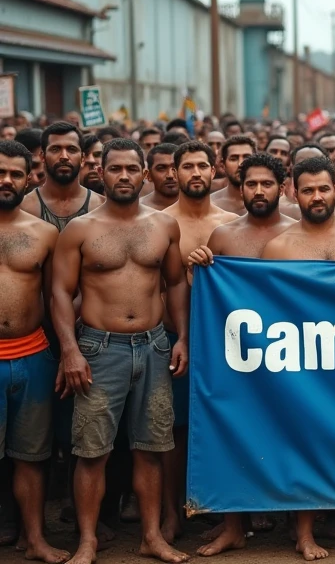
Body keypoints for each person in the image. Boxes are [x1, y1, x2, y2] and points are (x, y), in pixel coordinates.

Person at [52, 138, 191, 564]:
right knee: (92, 451)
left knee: (151, 447)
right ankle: (88, 541)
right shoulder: (80, 230)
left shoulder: (164, 226)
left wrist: (181, 336)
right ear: (101, 173)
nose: (125, 176)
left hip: (152, 346)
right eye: (116, 169)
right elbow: (59, 291)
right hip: (99, 348)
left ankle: (151, 536)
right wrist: (70, 350)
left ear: (145, 174)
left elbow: (176, 283)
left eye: (132, 169)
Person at [260, 156, 335, 561]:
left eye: (323, 189)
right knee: (303, 443)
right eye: (308, 190)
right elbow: (262, 308)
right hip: (301, 364)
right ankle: (305, 532)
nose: (316, 197)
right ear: (293, 192)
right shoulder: (278, 248)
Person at [186, 153, 296, 557]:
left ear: (282, 188)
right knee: (231, 434)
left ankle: (297, 526)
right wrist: (197, 266)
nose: (259, 191)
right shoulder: (224, 237)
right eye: (251, 184)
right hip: (236, 355)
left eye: (267, 184)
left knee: (293, 433)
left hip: (292, 355)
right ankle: (234, 525)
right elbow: (205, 293)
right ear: (240, 187)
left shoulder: (299, 232)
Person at [160, 141, 237, 543]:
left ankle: (225, 510)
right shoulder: (157, 222)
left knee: (225, 423)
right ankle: (172, 513)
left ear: (214, 171)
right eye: (186, 165)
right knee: (174, 429)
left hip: (225, 343)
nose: (194, 172)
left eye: (202, 165)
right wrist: (180, 335)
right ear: (174, 172)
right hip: (172, 337)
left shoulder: (230, 223)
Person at [0, 139, 67, 564]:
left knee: (32, 456)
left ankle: (36, 538)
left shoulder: (45, 234)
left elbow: (57, 297)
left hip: (33, 355)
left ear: (30, 179)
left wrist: (69, 355)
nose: (5, 180)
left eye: (14, 174)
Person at [18, 122, 104, 231]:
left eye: (71, 149)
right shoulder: (23, 208)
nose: (64, 157)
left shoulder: (101, 206)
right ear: (42, 157)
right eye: (55, 149)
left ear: (82, 158)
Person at [210, 135, 256, 215]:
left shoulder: (272, 203)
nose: (240, 164)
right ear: (223, 165)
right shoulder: (210, 205)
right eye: (233, 159)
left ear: (257, 162)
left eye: (247, 158)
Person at [140, 144, 180, 211]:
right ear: (148, 175)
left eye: (175, 167)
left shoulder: (199, 207)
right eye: (161, 168)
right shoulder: (137, 209)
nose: (170, 175)